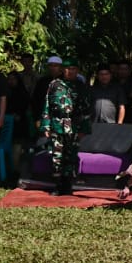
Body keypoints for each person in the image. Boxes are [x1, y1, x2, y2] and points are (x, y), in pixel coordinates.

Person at [41, 58, 91, 196]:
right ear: (63, 69)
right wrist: (46, 126)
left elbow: (86, 110)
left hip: (74, 125)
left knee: (71, 157)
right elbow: (47, 106)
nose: (70, 71)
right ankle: (57, 186)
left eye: (74, 69)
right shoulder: (54, 84)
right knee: (56, 157)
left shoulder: (81, 86)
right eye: (68, 69)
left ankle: (68, 186)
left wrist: (84, 129)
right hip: (57, 124)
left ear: (78, 71)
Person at [31, 56, 64, 126]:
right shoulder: (42, 81)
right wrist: (37, 118)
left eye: (55, 66)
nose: (53, 68)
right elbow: (36, 100)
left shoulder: (66, 81)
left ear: (61, 67)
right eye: (51, 65)